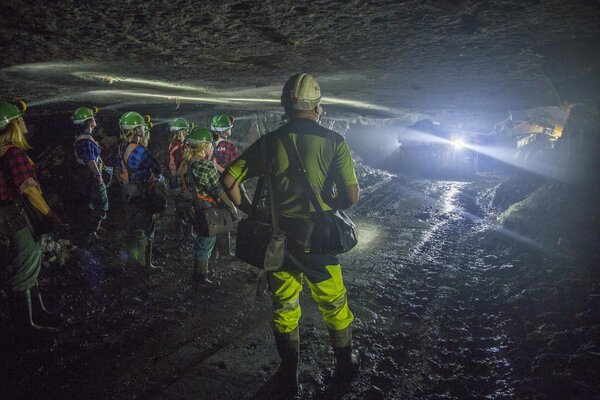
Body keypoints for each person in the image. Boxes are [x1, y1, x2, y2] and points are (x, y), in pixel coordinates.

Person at [223, 73, 360, 395]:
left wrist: (251, 211)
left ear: (285, 106)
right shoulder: (334, 142)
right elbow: (351, 197)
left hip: (279, 240)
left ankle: (288, 373)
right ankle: (344, 365)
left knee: (284, 306)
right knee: (334, 302)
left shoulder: (269, 142)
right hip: (320, 240)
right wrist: (330, 206)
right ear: (318, 106)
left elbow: (229, 179)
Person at [0, 101, 68, 338]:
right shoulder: (14, 153)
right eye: (20, 118)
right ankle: (26, 328)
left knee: (29, 262)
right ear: (12, 125)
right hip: (14, 216)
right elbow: (29, 190)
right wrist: (52, 216)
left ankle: (37, 313)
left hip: (6, 216)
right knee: (25, 263)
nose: (24, 121)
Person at [178, 127, 237, 286]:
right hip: (207, 209)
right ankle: (200, 277)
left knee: (201, 240)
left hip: (195, 208)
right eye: (211, 145)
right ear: (204, 147)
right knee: (207, 242)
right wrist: (231, 205)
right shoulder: (206, 166)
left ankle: (201, 270)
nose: (213, 148)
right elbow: (217, 190)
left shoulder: (188, 162)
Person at [115, 111, 164, 271]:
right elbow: (157, 168)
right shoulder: (140, 151)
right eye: (142, 127)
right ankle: (145, 265)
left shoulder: (122, 147)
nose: (144, 130)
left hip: (127, 191)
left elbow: (118, 168)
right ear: (137, 130)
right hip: (140, 193)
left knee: (132, 227)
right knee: (145, 229)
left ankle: (131, 259)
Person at [72, 106, 109, 243]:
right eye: (92, 117)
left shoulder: (84, 137)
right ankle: (91, 232)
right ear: (88, 122)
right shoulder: (85, 140)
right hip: (91, 175)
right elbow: (89, 158)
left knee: (92, 202)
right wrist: (98, 175)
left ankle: (93, 227)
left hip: (87, 174)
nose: (95, 119)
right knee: (101, 204)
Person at [211, 114, 240, 259]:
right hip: (226, 187)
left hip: (211, 188)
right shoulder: (231, 147)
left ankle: (214, 252)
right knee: (226, 217)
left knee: (214, 217)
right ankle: (225, 252)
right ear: (226, 131)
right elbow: (236, 171)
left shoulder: (208, 146)